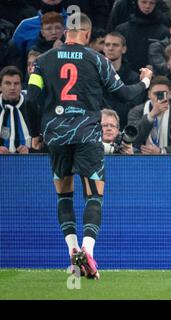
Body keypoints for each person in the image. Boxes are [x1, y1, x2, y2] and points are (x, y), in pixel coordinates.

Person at [25, 13, 153, 280]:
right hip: (87, 136)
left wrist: (36, 133)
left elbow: (31, 99)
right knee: (94, 195)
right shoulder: (97, 60)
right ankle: (88, 248)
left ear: (64, 33)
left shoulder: (42, 62)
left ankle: (73, 252)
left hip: (56, 137)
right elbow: (124, 95)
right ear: (86, 34)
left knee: (64, 196)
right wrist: (145, 81)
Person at [128, 75, 171, 154]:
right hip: (140, 161)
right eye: (156, 94)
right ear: (149, 94)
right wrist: (151, 116)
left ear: (170, 94)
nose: (159, 98)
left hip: (167, 163)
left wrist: (162, 151)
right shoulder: (136, 112)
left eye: (164, 94)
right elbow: (132, 139)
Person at [102, 31, 145, 129]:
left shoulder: (135, 78)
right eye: (107, 44)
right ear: (103, 48)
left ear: (124, 49)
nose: (111, 48)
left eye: (115, 45)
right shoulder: (95, 76)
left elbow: (134, 106)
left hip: (126, 128)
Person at [0, 66, 32, 154]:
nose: (12, 88)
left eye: (16, 83)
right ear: (0, 87)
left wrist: (31, 151)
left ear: (21, 86)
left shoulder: (32, 107)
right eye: (7, 83)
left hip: (28, 161)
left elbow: (43, 141)